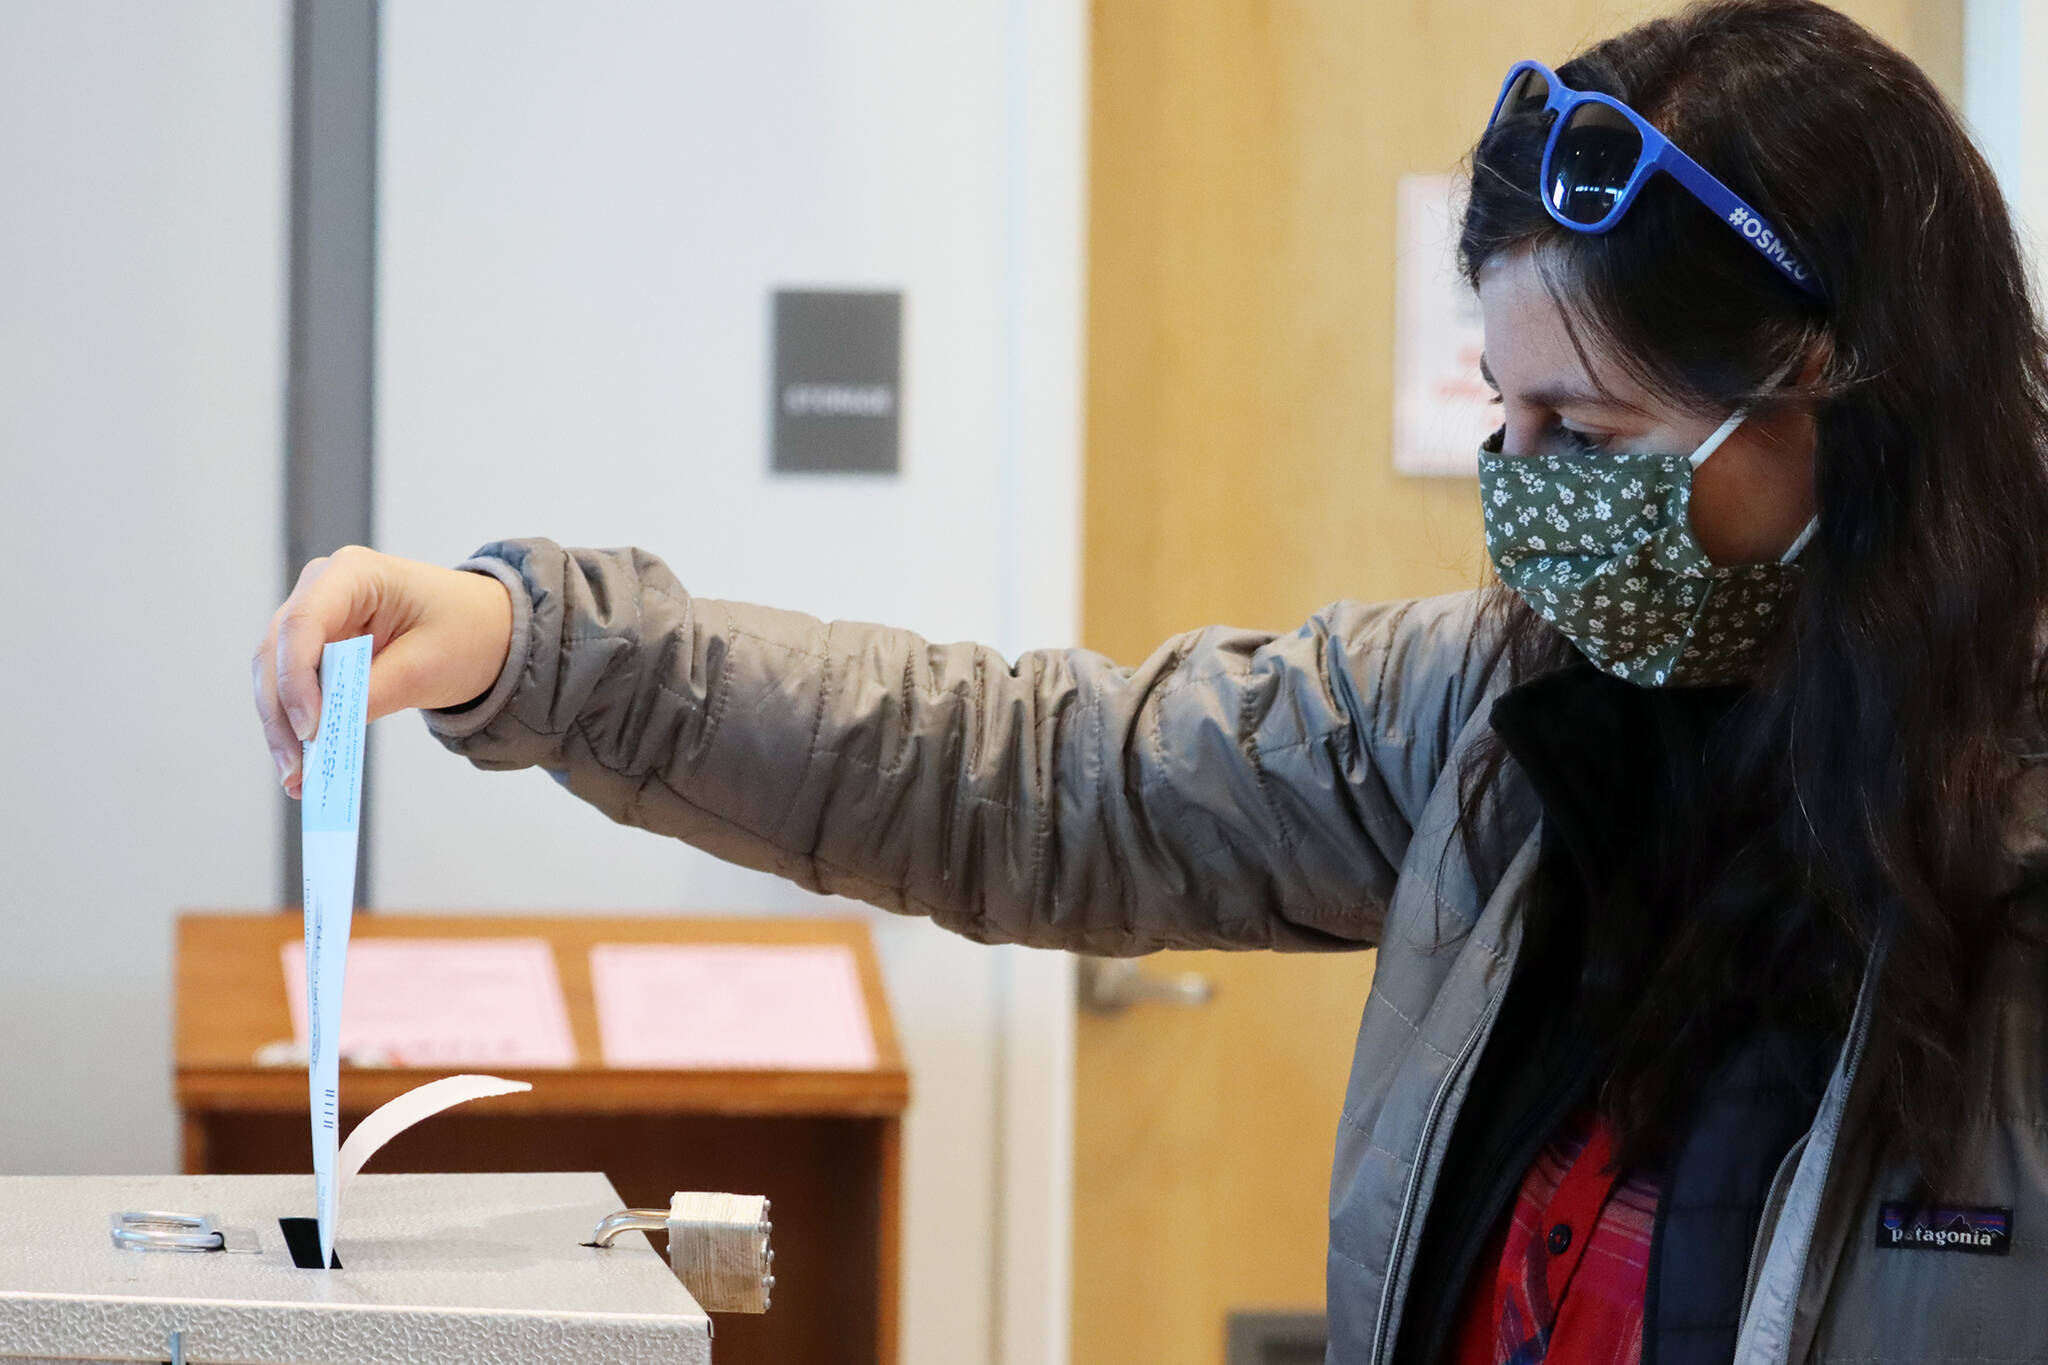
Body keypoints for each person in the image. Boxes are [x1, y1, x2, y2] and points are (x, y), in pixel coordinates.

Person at [252, 2, 2048, 1361]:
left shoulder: (2006, 878)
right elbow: (1038, 775)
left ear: (1840, 404)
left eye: (1580, 429)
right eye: (1499, 418)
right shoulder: (1497, 724)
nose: (1523, 497)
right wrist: (547, 653)